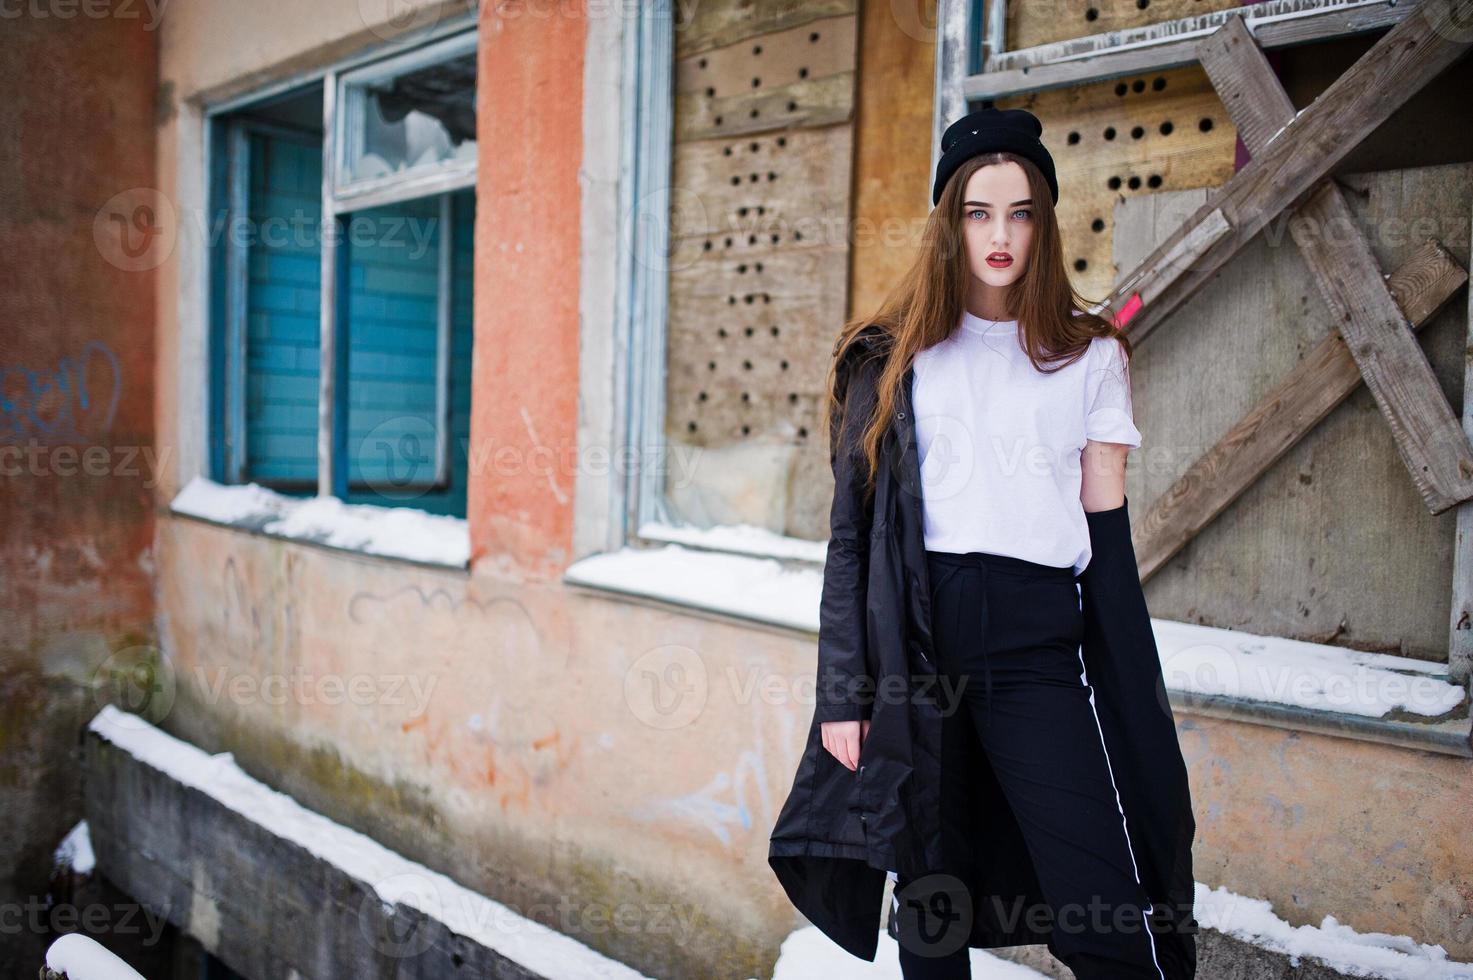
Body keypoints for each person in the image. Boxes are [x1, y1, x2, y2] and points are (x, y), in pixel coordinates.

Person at [817, 107, 1176, 979]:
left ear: (1044, 223)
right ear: (949, 222)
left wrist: (1134, 696)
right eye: (978, 212)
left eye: (1020, 212)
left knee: (1101, 902)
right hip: (919, 650)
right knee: (930, 907)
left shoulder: (1091, 355)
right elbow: (852, 538)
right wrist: (842, 694)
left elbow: (1109, 540)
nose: (1000, 233)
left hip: (1034, 655)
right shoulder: (890, 358)